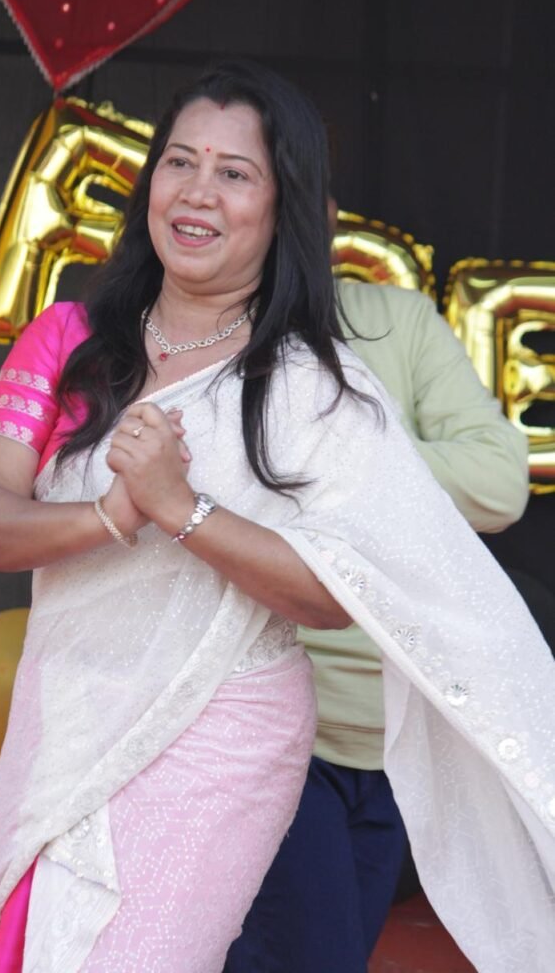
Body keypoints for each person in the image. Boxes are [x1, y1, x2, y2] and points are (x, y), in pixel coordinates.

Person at [0, 60, 554, 973]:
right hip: (66, 708)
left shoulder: (316, 388)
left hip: (222, 731)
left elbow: (331, 597)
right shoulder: (70, 342)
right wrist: (113, 513)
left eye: (235, 173)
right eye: (180, 162)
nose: (198, 192)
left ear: (283, 209)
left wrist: (181, 508)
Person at [224, 277, 530, 973]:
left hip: (395, 737)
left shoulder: (397, 317)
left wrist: (343, 457)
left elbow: (498, 481)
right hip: (269, 725)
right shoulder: (213, 323)